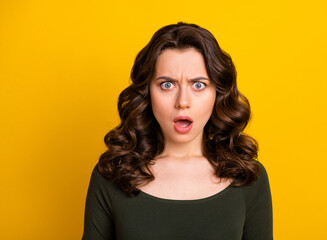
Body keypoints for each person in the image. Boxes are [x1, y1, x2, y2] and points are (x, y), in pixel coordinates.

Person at [82, 22, 273, 240]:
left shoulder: (248, 177)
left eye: (198, 85)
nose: (182, 102)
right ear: (147, 93)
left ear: (217, 93)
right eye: (167, 85)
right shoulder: (110, 176)